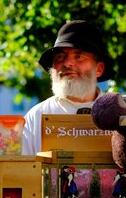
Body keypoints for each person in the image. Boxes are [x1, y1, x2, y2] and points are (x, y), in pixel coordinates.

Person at [22, 20, 116, 155]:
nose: (67, 63)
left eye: (79, 56)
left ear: (99, 69)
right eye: (60, 56)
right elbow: (19, 171)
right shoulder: (36, 117)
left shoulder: (120, 116)